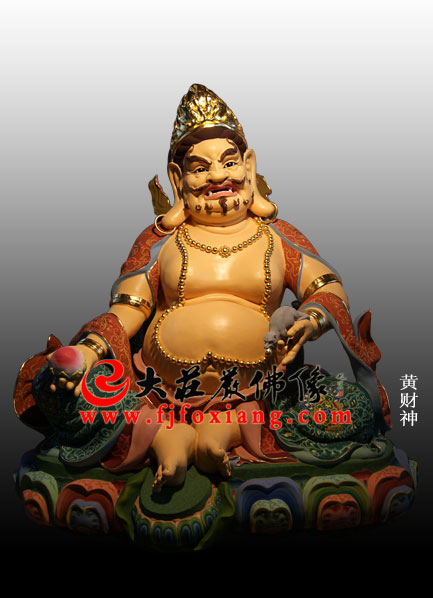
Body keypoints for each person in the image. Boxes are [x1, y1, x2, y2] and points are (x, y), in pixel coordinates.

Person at [14, 84, 391, 494]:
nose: (217, 176)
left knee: (352, 408)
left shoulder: (277, 237)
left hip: (261, 392)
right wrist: (87, 351)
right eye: (200, 168)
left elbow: (327, 287)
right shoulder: (161, 242)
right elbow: (127, 310)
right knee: (56, 387)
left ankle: (226, 429)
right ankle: (165, 436)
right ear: (178, 179)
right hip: (156, 393)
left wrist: (311, 320)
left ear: (249, 166)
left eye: (229, 162)